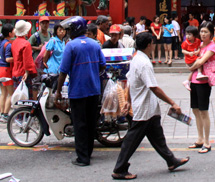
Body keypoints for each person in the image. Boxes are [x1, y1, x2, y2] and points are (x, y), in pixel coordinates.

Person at [111, 33, 189, 180]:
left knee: (157, 136)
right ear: (149, 45)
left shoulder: (136, 58)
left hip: (149, 107)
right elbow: (154, 87)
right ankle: (119, 168)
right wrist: (172, 102)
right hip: (144, 107)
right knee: (132, 139)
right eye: (152, 43)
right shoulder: (144, 63)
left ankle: (171, 161)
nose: (153, 45)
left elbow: (130, 80)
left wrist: (128, 100)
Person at [55, 16, 106, 167]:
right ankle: (88, 152)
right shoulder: (95, 44)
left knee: (79, 124)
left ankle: (82, 158)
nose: (68, 32)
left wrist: (58, 92)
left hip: (78, 90)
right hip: (94, 90)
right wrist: (91, 72)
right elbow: (103, 65)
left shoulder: (70, 46)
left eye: (70, 29)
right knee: (91, 123)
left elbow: (63, 71)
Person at [188, 22, 215, 154]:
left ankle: (207, 142)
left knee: (203, 112)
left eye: (206, 32)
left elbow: (201, 61)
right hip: (194, 81)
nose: (203, 34)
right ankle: (199, 139)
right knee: (195, 110)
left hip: (204, 83)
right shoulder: (200, 45)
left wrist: (191, 66)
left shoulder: (212, 47)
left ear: (211, 34)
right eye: (201, 32)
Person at [11, 20, 37, 98]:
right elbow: (27, 60)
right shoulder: (26, 44)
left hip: (15, 71)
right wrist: (27, 72)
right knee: (26, 98)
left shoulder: (14, 42)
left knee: (18, 97)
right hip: (23, 73)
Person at [0, 23, 15, 123]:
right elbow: (8, 59)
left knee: (3, 93)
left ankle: (1, 114)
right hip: (6, 70)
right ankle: (5, 114)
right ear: (9, 33)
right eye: (13, 30)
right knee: (10, 94)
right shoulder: (8, 45)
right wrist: (16, 58)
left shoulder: (1, 42)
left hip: (0, 69)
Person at [181, 26, 203, 90]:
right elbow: (183, 50)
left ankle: (187, 81)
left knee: (193, 71)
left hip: (194, 57)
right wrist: (188, 53)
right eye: (187, 34)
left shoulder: (198, 41)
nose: (187, 36)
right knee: (199, 61)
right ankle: (199, 73)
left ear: (194, 35)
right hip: (189, 60)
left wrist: (198, 51)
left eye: (189, 34)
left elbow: (199, 47)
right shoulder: (185, 42)